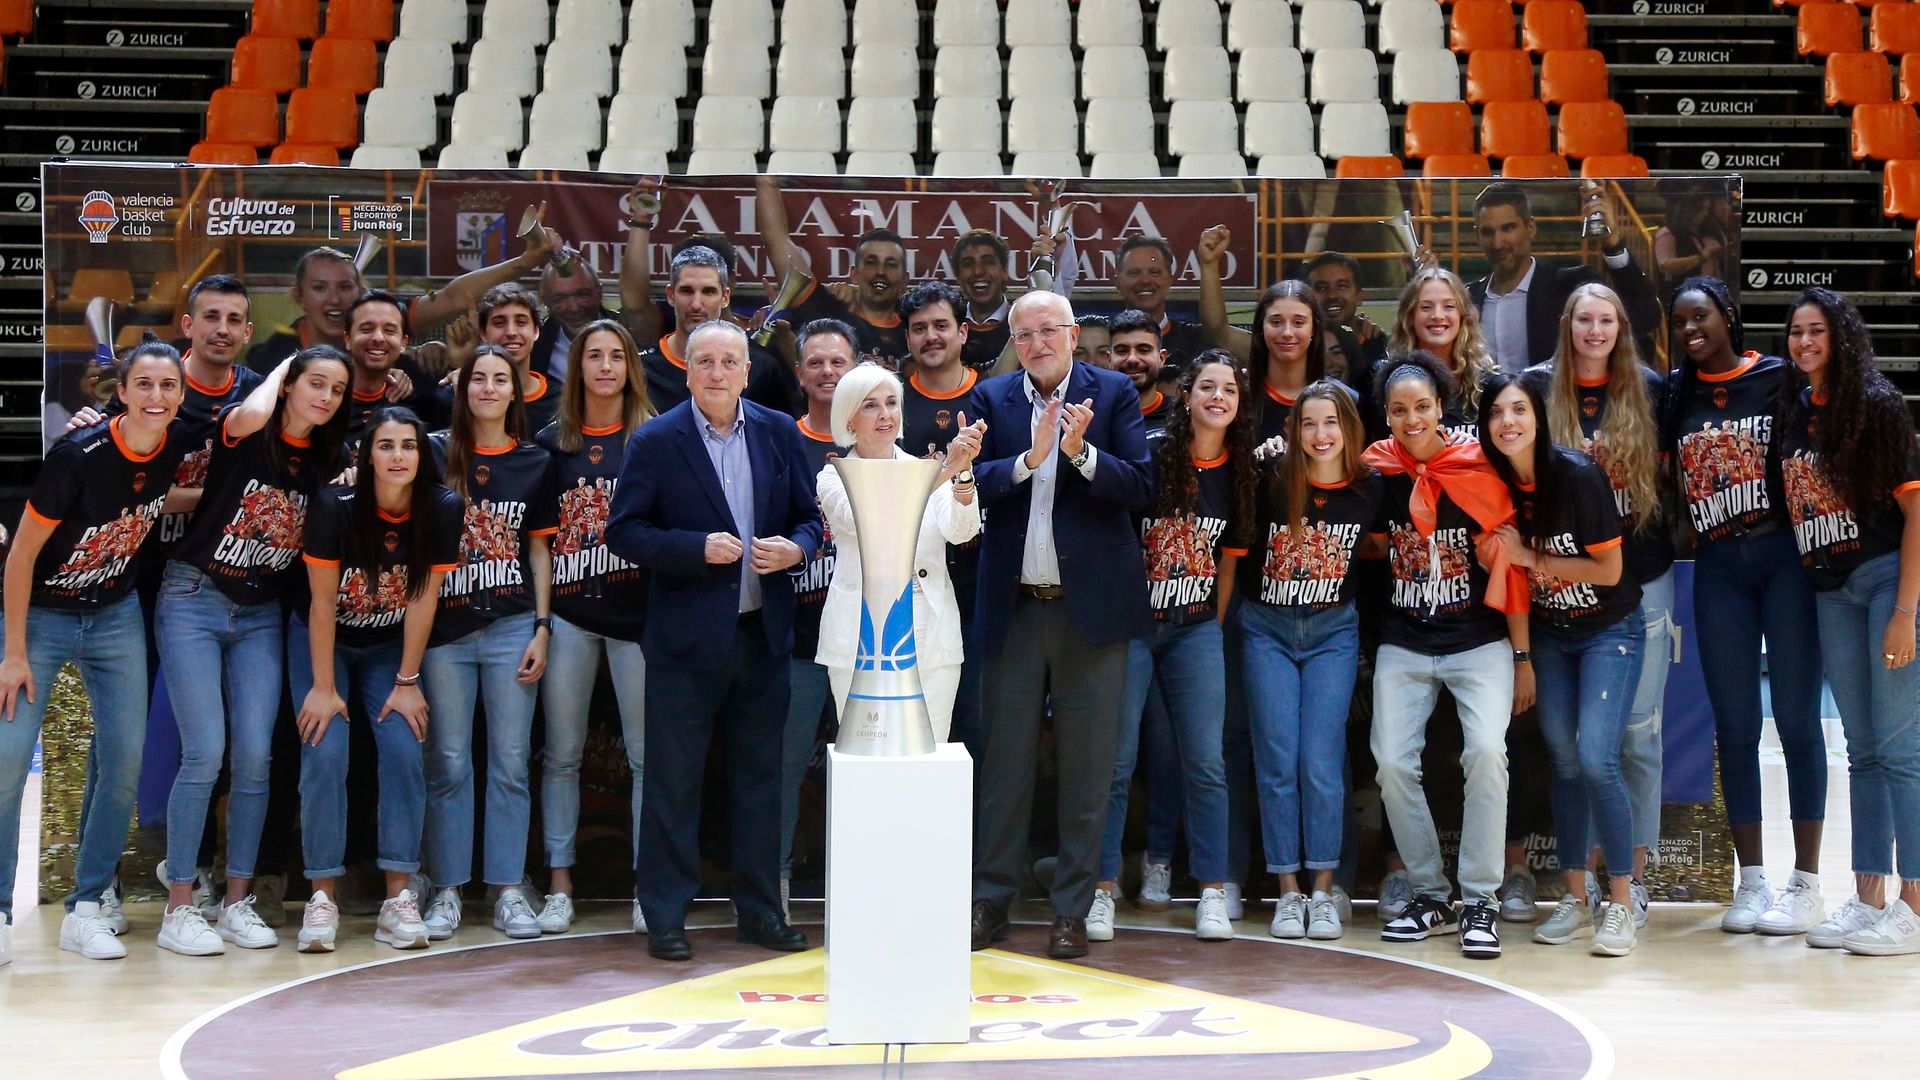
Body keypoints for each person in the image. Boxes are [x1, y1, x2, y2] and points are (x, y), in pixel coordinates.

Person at [605, 319, 822, 963]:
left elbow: (810, 519)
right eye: (706, 362)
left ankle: (759, 912)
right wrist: (693, 550)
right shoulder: (655, 440)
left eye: (731, 361)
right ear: (689, 370)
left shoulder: (781, 431)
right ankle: (666, 915)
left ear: (747, 371)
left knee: (761, 780)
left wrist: (796, 547)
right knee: (674, 782)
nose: (719, 372)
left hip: (763, 637)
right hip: (684, 643)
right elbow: (625, 532)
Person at [966, 291, 1154, 961]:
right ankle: (990, 900)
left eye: (1050, 330)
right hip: (1013, 607)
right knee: (1004, 767)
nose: (1039, 341)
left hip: (1091, 612)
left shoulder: (1113, 394)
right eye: (1026, 333)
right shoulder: (994, 399)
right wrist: (1029, 458)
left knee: (1088, 770)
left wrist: (1077, 452)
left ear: (1074, 335)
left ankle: (1072, 910)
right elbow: (972, 481)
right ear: (1013, 341)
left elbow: (1141, 486)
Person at [154, 346, 351, 957]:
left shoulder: (329, 461)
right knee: (205, 752)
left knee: (257, 757)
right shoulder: (247, 429)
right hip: (195, 595)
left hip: (262, 611)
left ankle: (237, 900)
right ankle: (180, 905)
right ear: (289, 385)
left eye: (337, 390)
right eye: (314, 383)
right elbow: (246, 416)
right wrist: (283, 366)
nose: (324, 397)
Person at [1, 342, 191, 963]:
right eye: (145, 385)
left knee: (124, 763)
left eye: (168, 386)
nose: (156, 397)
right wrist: (14, 652)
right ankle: (1, 909)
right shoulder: (76, 456)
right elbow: (21, 557)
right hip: (44, 618)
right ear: (124, 392)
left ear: (180, 394)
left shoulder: (180, 445)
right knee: (6, 763)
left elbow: (184, 489)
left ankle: (86, 907)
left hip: (113, 615)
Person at [1664, 276, 1828, 935]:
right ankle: (1753, 880)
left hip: (1784, 557)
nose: (1690, 329)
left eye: (1699, 316)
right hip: (1719, 565)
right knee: (1733, 726)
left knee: (1794, 719)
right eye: (1679, 321)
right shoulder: (1677, 395)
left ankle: (1807, 882)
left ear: (1728, 315)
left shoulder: (1781, 378)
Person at [1363, 352, 1531, 960]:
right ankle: (1431, 892)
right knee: (1391, 762)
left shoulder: (1477, 466)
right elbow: (1373, 549)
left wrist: (1521, 655)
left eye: (1423, 407)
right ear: (1386, 416)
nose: (1412, 420)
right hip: (1404, 641)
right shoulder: (1377, 471)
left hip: (1478, 639)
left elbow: (1510, 565)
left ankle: (1480, 898)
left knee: (1487, 751)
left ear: (1442, 409)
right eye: (1400, 409)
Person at [1479, 371, 1644, 957]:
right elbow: (1513, 583)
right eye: (1497, 413)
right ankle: (1575, 899)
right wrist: (1523, 656)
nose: (1508, 423)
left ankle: (1621, 902)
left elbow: (1610, 572)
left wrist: (1532, 554)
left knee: (1599, 759)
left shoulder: (1576, 474)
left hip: (1609, 630)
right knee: (1566, 761)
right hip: (1550, 633)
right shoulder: (1493, 485)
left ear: (1539, 417)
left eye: (1519, 410)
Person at [1090, 351, 1252, 944]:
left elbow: (1230, 564)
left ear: (1239, 403)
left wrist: (1208, 622)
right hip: (1132, 626)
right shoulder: (1155, 453)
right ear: (1186, 395)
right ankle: (1101, 889)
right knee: (1116, 762)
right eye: (1206, 386)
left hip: (1194, 629)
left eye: (1228, 390)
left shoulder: (1241, 473)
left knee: (1206, 761)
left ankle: (1211, 889)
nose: (1217, 397)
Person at [1777, 288, 1920, 956]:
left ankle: (1914, 904)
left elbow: (1918, 514)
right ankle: (1867, 899)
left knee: (1900, 753)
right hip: (1830, 590)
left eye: (1817, 331)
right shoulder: (1796, 408)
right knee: (1860, 751)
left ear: (1841, 336)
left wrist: (1904, 614)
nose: (1805, 342)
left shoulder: (1880, 405)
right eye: (1796, 332)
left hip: (1885, 580)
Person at [292, 407, 463, 953]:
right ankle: (322, 898)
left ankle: (398, 896)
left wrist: (408, 680)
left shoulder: (442, 506)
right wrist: (323, 686)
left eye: (408, 446)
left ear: (422, 454)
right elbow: (321, 603)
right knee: (324, 748)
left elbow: (422, 597)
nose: (397, 457)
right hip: (327, 642)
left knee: (404, 749)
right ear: (366, 457)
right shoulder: (334, 505)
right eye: (385, 446)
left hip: (391, 646)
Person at [1531, 283, 1672, 931]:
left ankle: (1632, 883)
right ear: (1566, 325)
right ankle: (1579, 886)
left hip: (1638, 581)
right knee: (1576, 749)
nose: (1594, 330)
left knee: (1632, 739)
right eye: (1583, 319)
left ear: (1621, 327)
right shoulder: (1536, 390)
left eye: (1605, 320)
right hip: (1562, 589)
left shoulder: (1650, 389)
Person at [419, 345, 560, 943]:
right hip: (443, 631)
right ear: (463, 387)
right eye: (478, 378)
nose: (488, 388)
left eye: (499, 379)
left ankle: (506, 888)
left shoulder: (534, 460)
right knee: (448, 761)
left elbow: (539, 550)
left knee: (509, 763)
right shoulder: (429, 450)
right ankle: (447, 887)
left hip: (509, 627)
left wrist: (543, 627)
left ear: (516, 390)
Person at [1240, 381, 1383, 942]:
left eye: (1332, 423)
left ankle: (1324, 890)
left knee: (1321, 762)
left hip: (1332, 632)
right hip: (1266, 629)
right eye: (1308, 424)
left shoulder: (1372, 487)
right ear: (1293, 431)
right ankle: (1289, 891)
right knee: (1278, 760)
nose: (1320, 435)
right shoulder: (1272, 479)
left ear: (1349, 428)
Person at [532, 320, 657, 935]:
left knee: (645, 757)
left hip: (636, 618)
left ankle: (645, 886)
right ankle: (559, 882)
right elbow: (538, 541)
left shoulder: (654, 439)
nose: (604, 366)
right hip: (572, 617)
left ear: (630, 367)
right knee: (561, 754)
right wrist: (543, 621)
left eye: (615, 356)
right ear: (575, 367)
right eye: (593, 356)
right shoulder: (551, 441)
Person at [815, 363, 983, 736]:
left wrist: (963, 472)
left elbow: (962, 530)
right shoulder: (833, 476)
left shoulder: (926, 469)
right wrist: (943, 470)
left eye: (891, 402)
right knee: (867, 762)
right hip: (861, 634)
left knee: (929, 754)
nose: (885, 414)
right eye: (870, 405)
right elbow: (873, 522)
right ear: (849, 417)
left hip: (931, 626)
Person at [247, 228, 560, 371]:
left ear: (361, 291)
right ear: (298, 296)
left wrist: (525, 262)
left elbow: (453, 296)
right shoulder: (272, 356)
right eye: (320, 288)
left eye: (345, 287)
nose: (335, 300)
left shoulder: (386, 322)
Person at [898, 284, 990, 761]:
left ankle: (965, 837)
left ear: (963, 332)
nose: (930, 337)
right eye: (919, 328)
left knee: (973, 726)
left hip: (982, 579)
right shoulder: (889, 402)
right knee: (907, 729)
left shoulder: (993, 396)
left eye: (941, 326)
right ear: (907, 338)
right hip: (908, 586)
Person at [779, 318, 853, 910]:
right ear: (800, 372)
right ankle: (776, 880)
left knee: (864, 771)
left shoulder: (879, 438)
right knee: (782, 768)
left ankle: (863, 884)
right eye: (817, 362)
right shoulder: (781, 438)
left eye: (839, 362)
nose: (828, 372)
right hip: (799, 637)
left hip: (867, 640)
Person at [1466, 182, 1661, 373]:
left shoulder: (1572, 286)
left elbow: (1645, 317)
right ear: (1476, 236)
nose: (1498, 243)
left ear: (1531, 227)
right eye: (1487, 232)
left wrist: (1613, 246)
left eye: (1508, 228)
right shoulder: (1468, 299)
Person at [757, 176, 912, 370]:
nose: (880, 272)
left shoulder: (916, 329)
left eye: (891, 264)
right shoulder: (827, 312)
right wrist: (766, 179)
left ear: (905, 280)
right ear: (854, 274)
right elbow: (777, 239)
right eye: (871, 262)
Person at [635, 246, 797, 414]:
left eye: (708, 291)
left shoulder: (762, 367)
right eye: (686, 291)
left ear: (725, 297)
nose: (696, 304)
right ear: (670, 295)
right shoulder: (640, 367)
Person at [1388, 267, 1498, 427]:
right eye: (1426, 307)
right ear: (1410, 316)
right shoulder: (1391, 380)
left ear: (1463, 315)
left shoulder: (1488, 383)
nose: (1438, 315)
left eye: (1449, 306)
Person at [1114, 235, 1210, 370]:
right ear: (1117, 282)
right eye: (1134, 273)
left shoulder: (1196, 340)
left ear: (1170, 280)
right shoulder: (1102, 339)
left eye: (1155, 272)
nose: (1145, 281)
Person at [534, 258, 615, 384]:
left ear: (599, 292)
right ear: (546, 301)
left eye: (582, 294)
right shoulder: (535, 348)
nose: (573, 307)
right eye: (559, 298)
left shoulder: (628, 333)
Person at [1107, 309, 1176, 435]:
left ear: (1161, 358)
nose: (1132, 359)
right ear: (1109, 359)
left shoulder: (1182, 416)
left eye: (1143, 350)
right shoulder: (1090, 415)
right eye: (1122, 351)